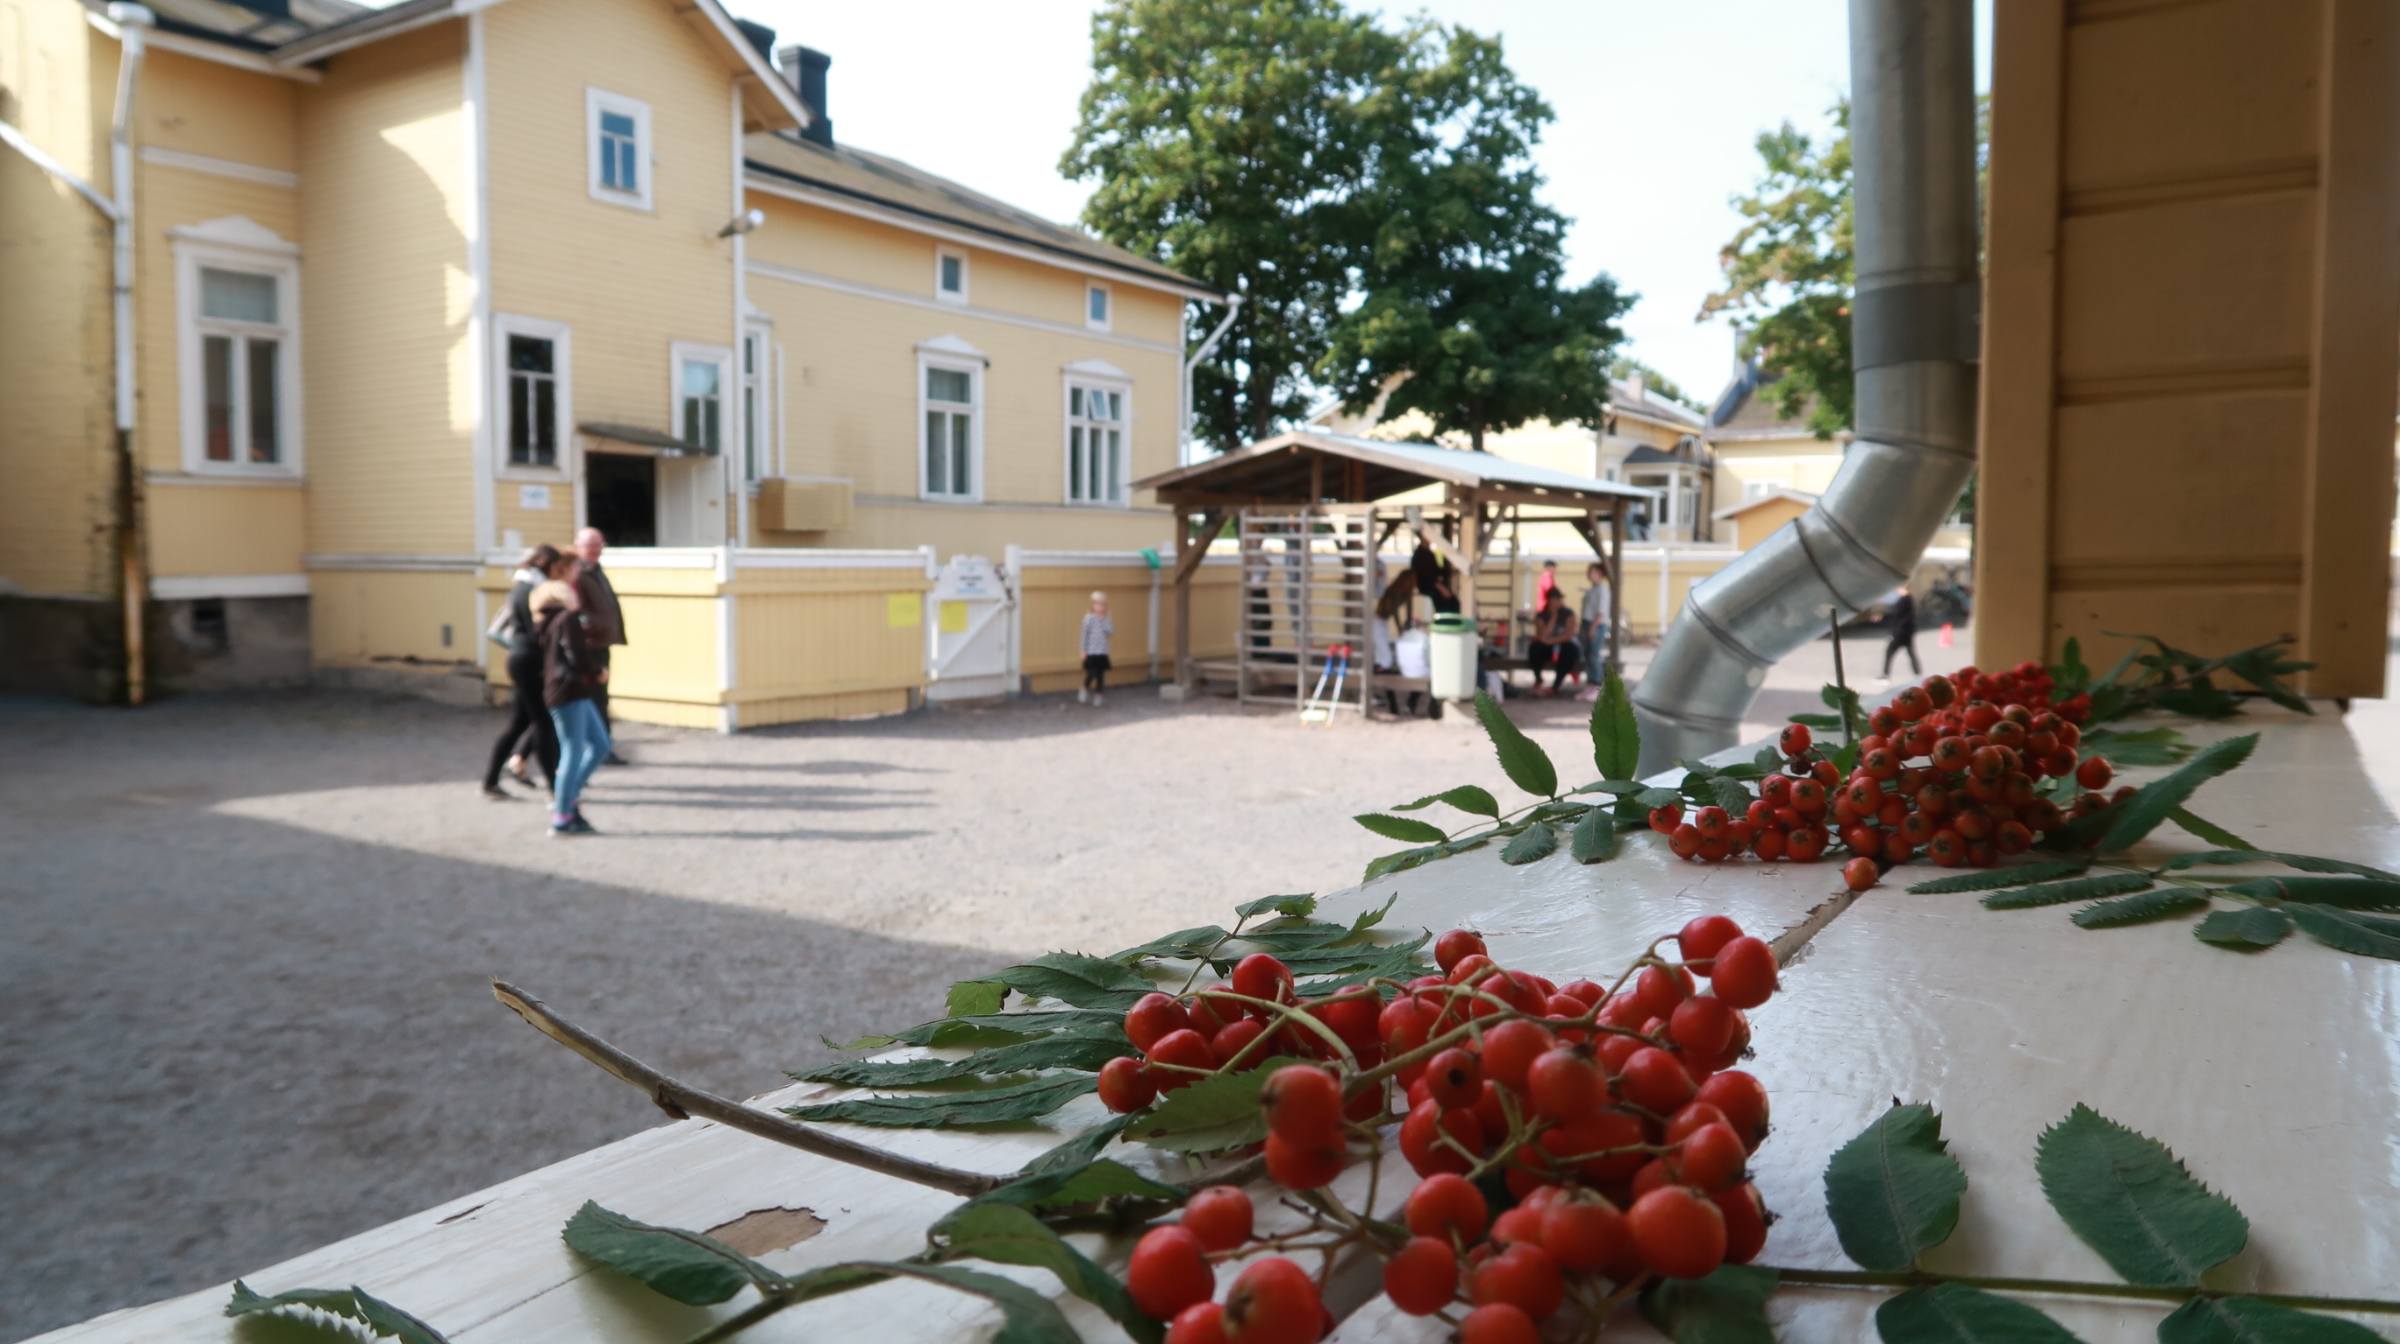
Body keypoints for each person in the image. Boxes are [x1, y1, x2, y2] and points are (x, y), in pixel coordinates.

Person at [481, 544, 562, 800]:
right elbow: (540, 631)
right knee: (544, 724)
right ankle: (555, 788)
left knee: (519, 723)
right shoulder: (535, 591)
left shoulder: (519, 588)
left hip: (519, 658)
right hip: (531, 661)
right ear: (546, 565)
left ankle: (491, 781)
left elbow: (499, 630)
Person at [534, 567, 610, 836]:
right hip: (567, 690)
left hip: (572, 690)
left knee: (600, 745)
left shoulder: (549, 620)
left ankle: (568, 796)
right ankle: (562, 815)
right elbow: (576, 654)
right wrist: (597, 671)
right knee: (572, 752)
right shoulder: (566, 618)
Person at [572, 527, 629, 765]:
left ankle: (603, 747)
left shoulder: (595, 570)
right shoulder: (577, 573)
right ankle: (596, 748)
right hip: (589, 646)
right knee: (591, 699)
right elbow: (575, 612)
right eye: (591, 546)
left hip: (601, 643)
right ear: (578, 547)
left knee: (600, 698)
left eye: (599, 545)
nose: (596, 550)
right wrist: (593, 626)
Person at [1526, 586, 1581, 695]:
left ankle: (1556, 685)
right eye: (1555, 600)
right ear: (1549, 600)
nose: (1558, 602)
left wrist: (1550, 641)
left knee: (1570, 650)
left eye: (1559, 599)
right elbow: (1542, 635)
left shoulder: (1568, 613)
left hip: (1562, 644)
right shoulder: (1541, 615)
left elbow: (1568, 635)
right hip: (1548, 646)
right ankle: (1538, 679)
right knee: (1535, 648)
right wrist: (1553, 617)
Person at [1579, 561, 1613, 680]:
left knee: (1594, 654)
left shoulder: (1602, 590)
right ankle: (1590, 681)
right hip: (1587, 622)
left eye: (1591, 571)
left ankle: (1596, 682)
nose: (1588, 574)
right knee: (1587, 654)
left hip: (1596, 624)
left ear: (1599, 573)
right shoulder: (1592, 590)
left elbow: (1601, 612)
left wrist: (1592, 628)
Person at [1078, 591, 1113, 706]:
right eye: (1097, 605)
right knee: (1092, 672)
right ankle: (1084, 688)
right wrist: (1083, 650)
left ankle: (1099, 694)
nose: (1100, 607)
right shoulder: (1089, 618)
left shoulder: (1106, 619)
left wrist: (1104, 620)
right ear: (1093, 605)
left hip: (1102, 651)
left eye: (1102, 605)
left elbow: (1110, 631)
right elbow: (1084, 635)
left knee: (1100, 674)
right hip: (1091, 651)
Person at [1410, 539, 1460, 614]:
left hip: (1434, 585)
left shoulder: (1430, 554)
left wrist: (1451, 572)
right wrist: (1440, 587)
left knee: (1454, 602)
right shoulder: (1418, 556)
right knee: (1445, 602)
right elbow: (1426, 576)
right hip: (1426, 587)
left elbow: (1437, 571)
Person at [1883, 584, 1921, 678]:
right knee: (1911, 653)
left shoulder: (1904, 600)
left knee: (1890, 652)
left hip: (1901, 632)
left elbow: (1899, 616)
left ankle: (1885, 674)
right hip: (1906, 631)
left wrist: (1896, 631)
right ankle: (1917, 673)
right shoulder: (1908, 599)